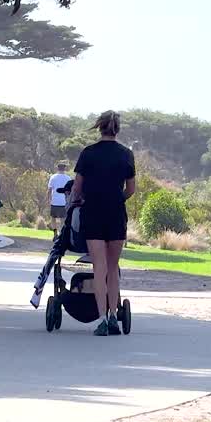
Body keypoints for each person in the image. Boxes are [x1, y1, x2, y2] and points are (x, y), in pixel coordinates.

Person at [70, 111, 136, 336]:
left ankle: (101, 320)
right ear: (117, 129)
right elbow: (131, 189)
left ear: (99, 128)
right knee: (112, 268)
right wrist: (117, 198)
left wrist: (76, 200)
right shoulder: (126, 154)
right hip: (116, 214)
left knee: (99, 267)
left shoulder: (88, 153)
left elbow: (77, 187)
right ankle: (114, 317)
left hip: (93, 212)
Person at [47, 161, 71, 235]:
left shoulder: (53, 177)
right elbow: (70, 191)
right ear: (64, 169)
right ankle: (61, 233)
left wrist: (49, 200)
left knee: (53, 218)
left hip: (55, 201)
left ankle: (55, 233)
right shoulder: (68, 178)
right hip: (64, 202)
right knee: (63, 219)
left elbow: (49, 190)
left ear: (57, 168)